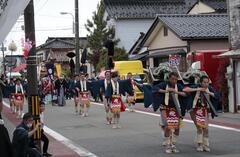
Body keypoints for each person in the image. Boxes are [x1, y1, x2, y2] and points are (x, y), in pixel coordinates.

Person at [183, 75, 219, 152]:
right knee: (199, 127)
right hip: (194, 109)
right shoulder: (196, 86)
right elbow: (185, 89)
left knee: (205, 128)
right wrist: (197, 89)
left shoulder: (209, 88)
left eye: (207, 82)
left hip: (204, 109)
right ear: (200, 82)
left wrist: (209, 93)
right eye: (204, 82)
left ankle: (205, 145)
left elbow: (217, 95)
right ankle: (200, 144)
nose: (206, 84)